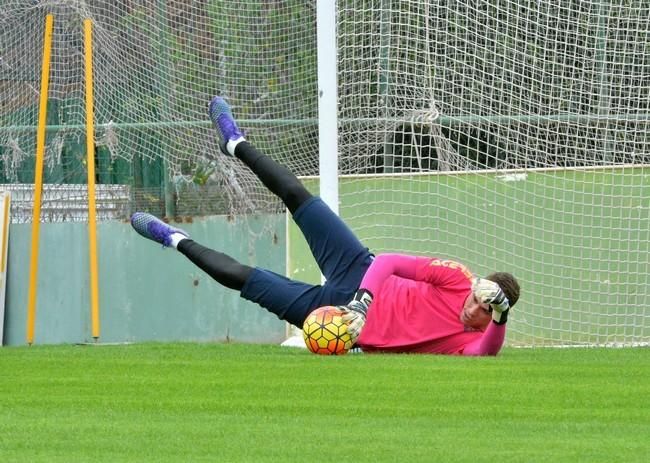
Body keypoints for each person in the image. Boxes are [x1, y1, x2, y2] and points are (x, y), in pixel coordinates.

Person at [131, 96, 521, 356]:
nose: (473, 310)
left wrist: (499, 319)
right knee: (299, 197)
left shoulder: (470, 340)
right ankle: (235, 142)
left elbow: (486, 352)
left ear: (495, 318)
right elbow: (389, 262)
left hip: (332, 317)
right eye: (476, 300)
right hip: (356, 267)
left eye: (485, 311)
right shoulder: (458, 278)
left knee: (245, 279)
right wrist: (363, 303)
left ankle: (173, 237)